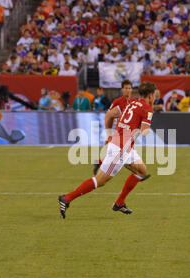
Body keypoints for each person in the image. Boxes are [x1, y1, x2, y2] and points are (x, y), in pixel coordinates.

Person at [58, 81, 157, 218]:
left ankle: (120, 202)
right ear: (151, 96)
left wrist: (111, 134)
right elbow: (145, 131)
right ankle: (67, 198)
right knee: (100, 180)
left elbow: (110, 114)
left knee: (142, 171)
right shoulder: (148, 109)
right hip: (120, 149)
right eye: (155, 95)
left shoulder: (131, 103)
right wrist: (146, 122)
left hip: (123, 145)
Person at [93, 79, 134, 175]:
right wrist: (114, 126)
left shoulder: (133, 102)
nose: (128, 90)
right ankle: (138, 174)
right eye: (126, 88)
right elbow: (109, 115)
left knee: (116, 155)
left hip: (128, 133)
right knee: (122, 155)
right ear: (122, 89)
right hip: (118, 132)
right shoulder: (117, 102)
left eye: (129, 88)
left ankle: (99, 163)